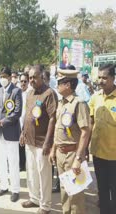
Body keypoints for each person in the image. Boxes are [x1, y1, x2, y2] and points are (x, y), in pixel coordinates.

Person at [49, 67, 91, 213]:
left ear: (68, 85)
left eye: (59, 82)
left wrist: (78, 158)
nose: (57, 85)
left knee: (76, 194)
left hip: (73, 154)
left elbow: (85, 132)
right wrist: (54, 149)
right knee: (64, 191)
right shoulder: (61, 103)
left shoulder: (79, 103)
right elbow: (58, 128)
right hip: (61, 154)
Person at [20, 65, 58, 214]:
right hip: (29, 141)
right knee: (31, 172)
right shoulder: (29, 94)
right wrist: (22, 132)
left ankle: (45, 205)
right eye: (30, 77)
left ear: (42, 77)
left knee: (44, 175)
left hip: (43, 142)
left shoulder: (49, 93)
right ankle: (34, 198)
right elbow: (27, 116)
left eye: (35, 77)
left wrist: (49, 142)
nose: (31, 80)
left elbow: (53, 118)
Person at [0, 67, 22, 202]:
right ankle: (4, 186)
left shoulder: (16, 91)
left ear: (9, 77)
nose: (3, 79)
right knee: (1, 161)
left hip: (11, 132)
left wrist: (2, 122)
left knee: (13, 162)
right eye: (1, 76)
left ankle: (15, 189)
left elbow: (17, 113)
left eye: (5, 76)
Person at [89, 64, 116, 214]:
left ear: (113, 78)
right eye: (99, 77)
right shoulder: (95, 98)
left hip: (114, 156)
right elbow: (90, 123)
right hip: (98, 154)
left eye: (105, 78)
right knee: (103, 191)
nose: (101, 81)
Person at [19, 73, 29, 171]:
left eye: (25, 81)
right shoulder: (17, 93)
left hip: (27, 125)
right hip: (18, 123)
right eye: (21, 81)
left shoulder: (30, 94)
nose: (23, 83)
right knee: (20, 146)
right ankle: (21, 166)